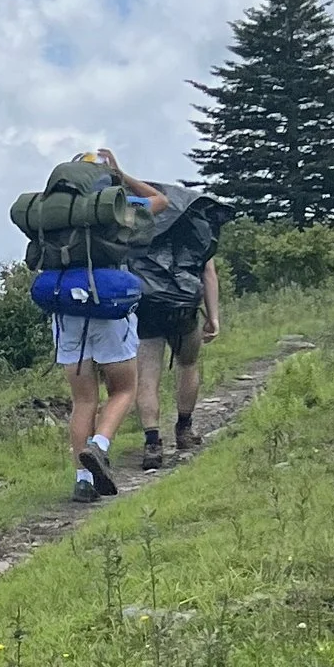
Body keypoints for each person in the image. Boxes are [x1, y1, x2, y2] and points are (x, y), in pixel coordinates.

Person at [53, 147, 140, 504]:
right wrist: (120, 174)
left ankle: (82, 480)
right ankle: (100, 445)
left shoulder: (56, 214)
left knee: (83, 400)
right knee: (124, 390)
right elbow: (160, 203)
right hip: (108, 306)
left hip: (66, 310)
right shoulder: (117, 207)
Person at [124, 180, 223, 468]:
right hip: (184, 308)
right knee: (188, 364)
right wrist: (213, 317)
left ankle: (152, 444)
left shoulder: (139, 222)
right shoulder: (196, 227)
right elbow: (209, 274)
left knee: (147, 375)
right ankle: (184, 429)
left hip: (148, 306)